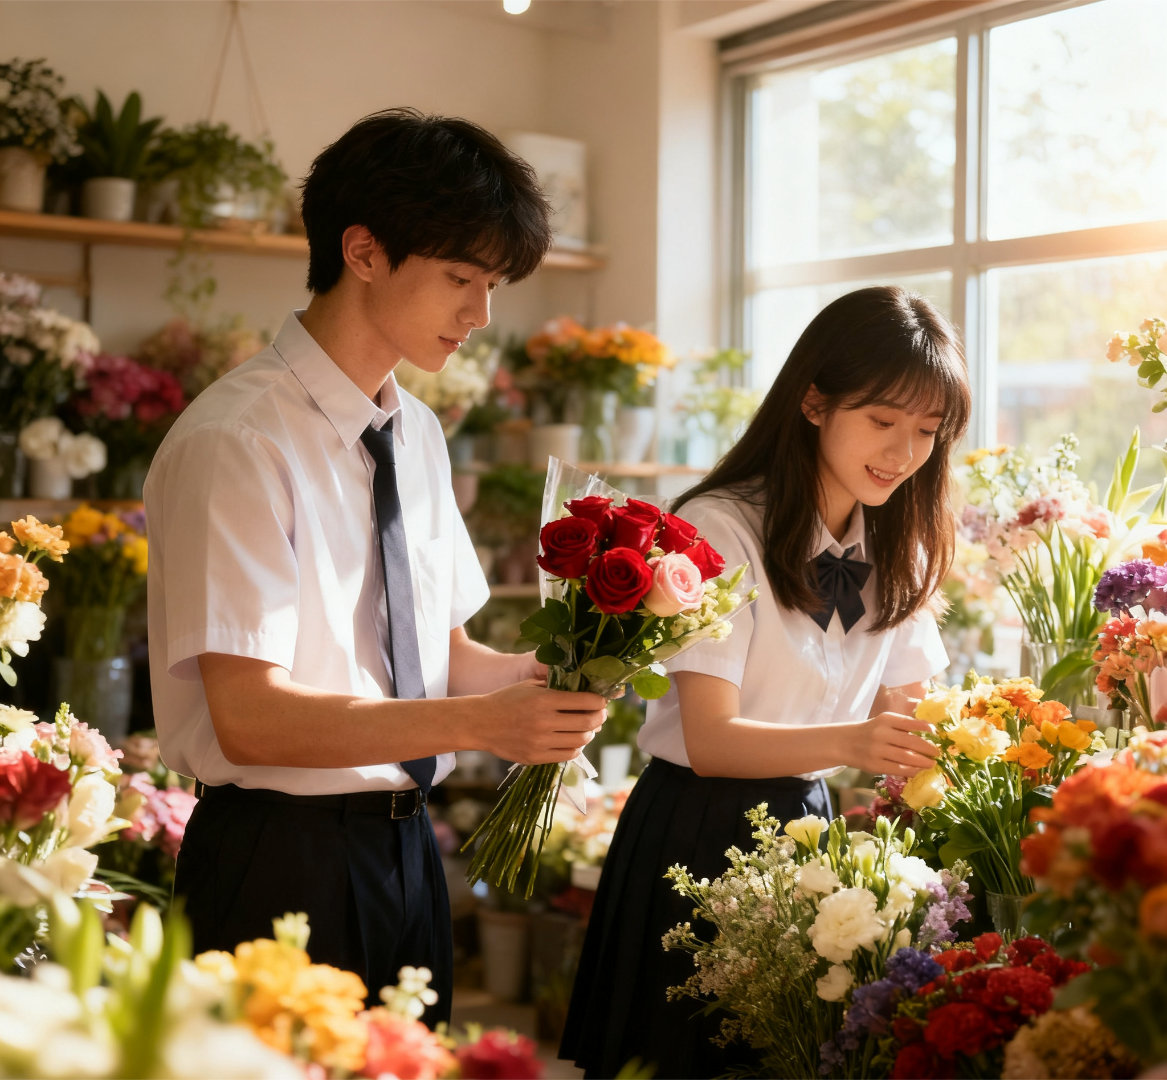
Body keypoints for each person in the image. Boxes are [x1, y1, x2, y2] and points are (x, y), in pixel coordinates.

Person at [143, 107, 607, 1021]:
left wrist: (551, 679)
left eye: (492, 285)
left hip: (406, 854)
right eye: (460, 278)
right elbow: (251, 719)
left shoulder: (416, 431)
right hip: (279, 858)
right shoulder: (237, 440)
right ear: (362, 251)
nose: (480, 316)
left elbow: (440, 653)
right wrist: (484, 721)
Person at [559, 285, 972, 1078]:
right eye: (882, 421)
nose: (902, 452)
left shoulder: (901, 547)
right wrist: (855, 742)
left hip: (809, 834)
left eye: (927, 431)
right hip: (696, 822)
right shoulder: (720, 527)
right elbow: (711, 741)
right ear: (814, 402)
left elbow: (914, 719)